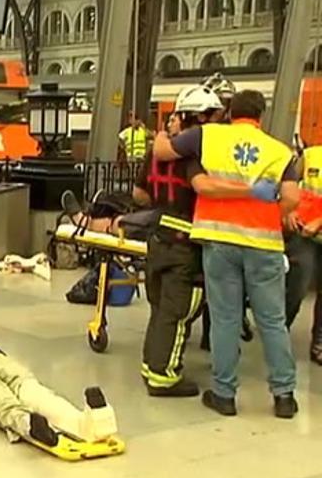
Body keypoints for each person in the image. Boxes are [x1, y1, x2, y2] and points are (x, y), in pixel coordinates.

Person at [154, 90, 299, 418]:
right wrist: (268, 210)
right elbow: (290, 198)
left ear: (230, 111)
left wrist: (162, 131)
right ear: (261, 115)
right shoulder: (279, 151)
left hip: (219, 241)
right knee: (272, 321)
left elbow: (162, 152)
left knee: (225, 319)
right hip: (264, 245)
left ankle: (224, 394)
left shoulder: (207, 135)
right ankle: (284, 396)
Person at [134, 85, 247, 397]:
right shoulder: (196, 155)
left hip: (158, 240)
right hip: (186, 244)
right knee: (180, 311)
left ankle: (151, 366)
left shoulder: (157, 153)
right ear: (198, 117)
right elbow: (205, 187)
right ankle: (164, 376)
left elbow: (139, 194)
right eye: (212, 117)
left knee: (160, 309)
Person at [284, 144, 322, 364]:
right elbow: (289, 185)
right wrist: (289, 211)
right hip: (303, 233)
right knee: (298, 285)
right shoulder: (310, 155)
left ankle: (319, 342)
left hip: (316, 227)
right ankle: (280, 328)